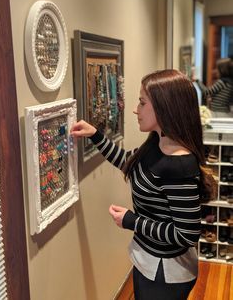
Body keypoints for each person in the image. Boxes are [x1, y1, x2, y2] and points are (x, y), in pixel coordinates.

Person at [70, 69, 215, 300]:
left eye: (142, 102)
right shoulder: (157, 144)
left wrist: (131, 221)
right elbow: (129, 162)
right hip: (150, 260)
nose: (136, 109)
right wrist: (95, 134)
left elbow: (186, 234)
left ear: (164, 107)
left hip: (166, 273)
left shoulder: (178, 164)